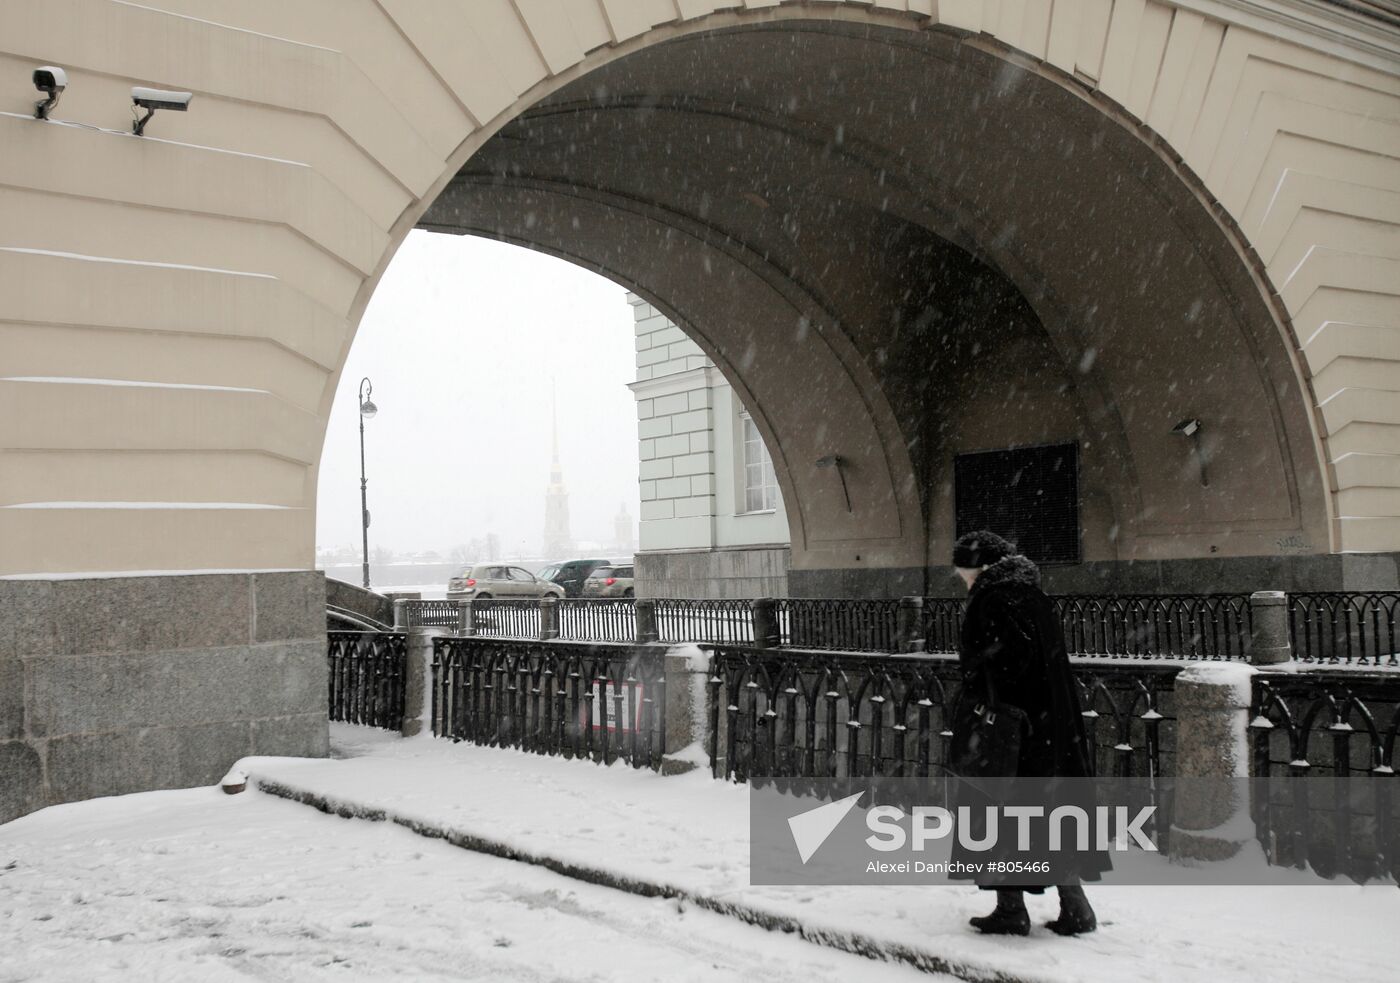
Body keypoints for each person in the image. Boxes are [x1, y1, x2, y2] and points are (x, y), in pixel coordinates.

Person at [949, 530, 1108, 937]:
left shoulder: (993, 599)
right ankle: (1076, 908)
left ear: (980, 568)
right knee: (1052, 817)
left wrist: (976, 676)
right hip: (1051, 728)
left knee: (1002, 814)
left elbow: (1007, 662)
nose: (962, 580)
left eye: (964, 572)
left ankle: (1010, 909)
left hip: (1012, 732)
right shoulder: (1033, 597)